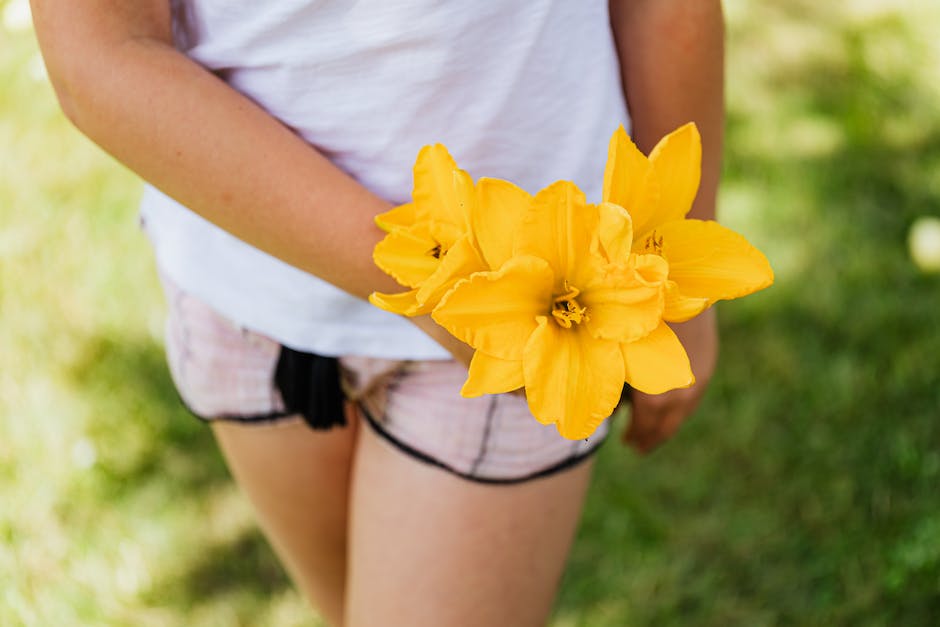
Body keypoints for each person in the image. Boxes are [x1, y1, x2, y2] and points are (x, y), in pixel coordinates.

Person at [30, 1, 724, 625]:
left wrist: (679, 281)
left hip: (531, 321)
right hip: (250, 296)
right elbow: (99, 50)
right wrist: (420, 276)